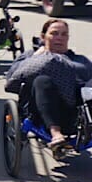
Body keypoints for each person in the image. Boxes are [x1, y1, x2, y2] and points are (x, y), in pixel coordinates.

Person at [5, 19, 92, 156]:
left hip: (75, 114)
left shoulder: (80, 60)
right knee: (42, 81)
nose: (59, 38)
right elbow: (12, 79)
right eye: (54, 33)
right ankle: (55, 134)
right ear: (43, 36)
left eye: (64, 34)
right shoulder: (31, 56)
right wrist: (37, 56)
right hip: (40, 112)